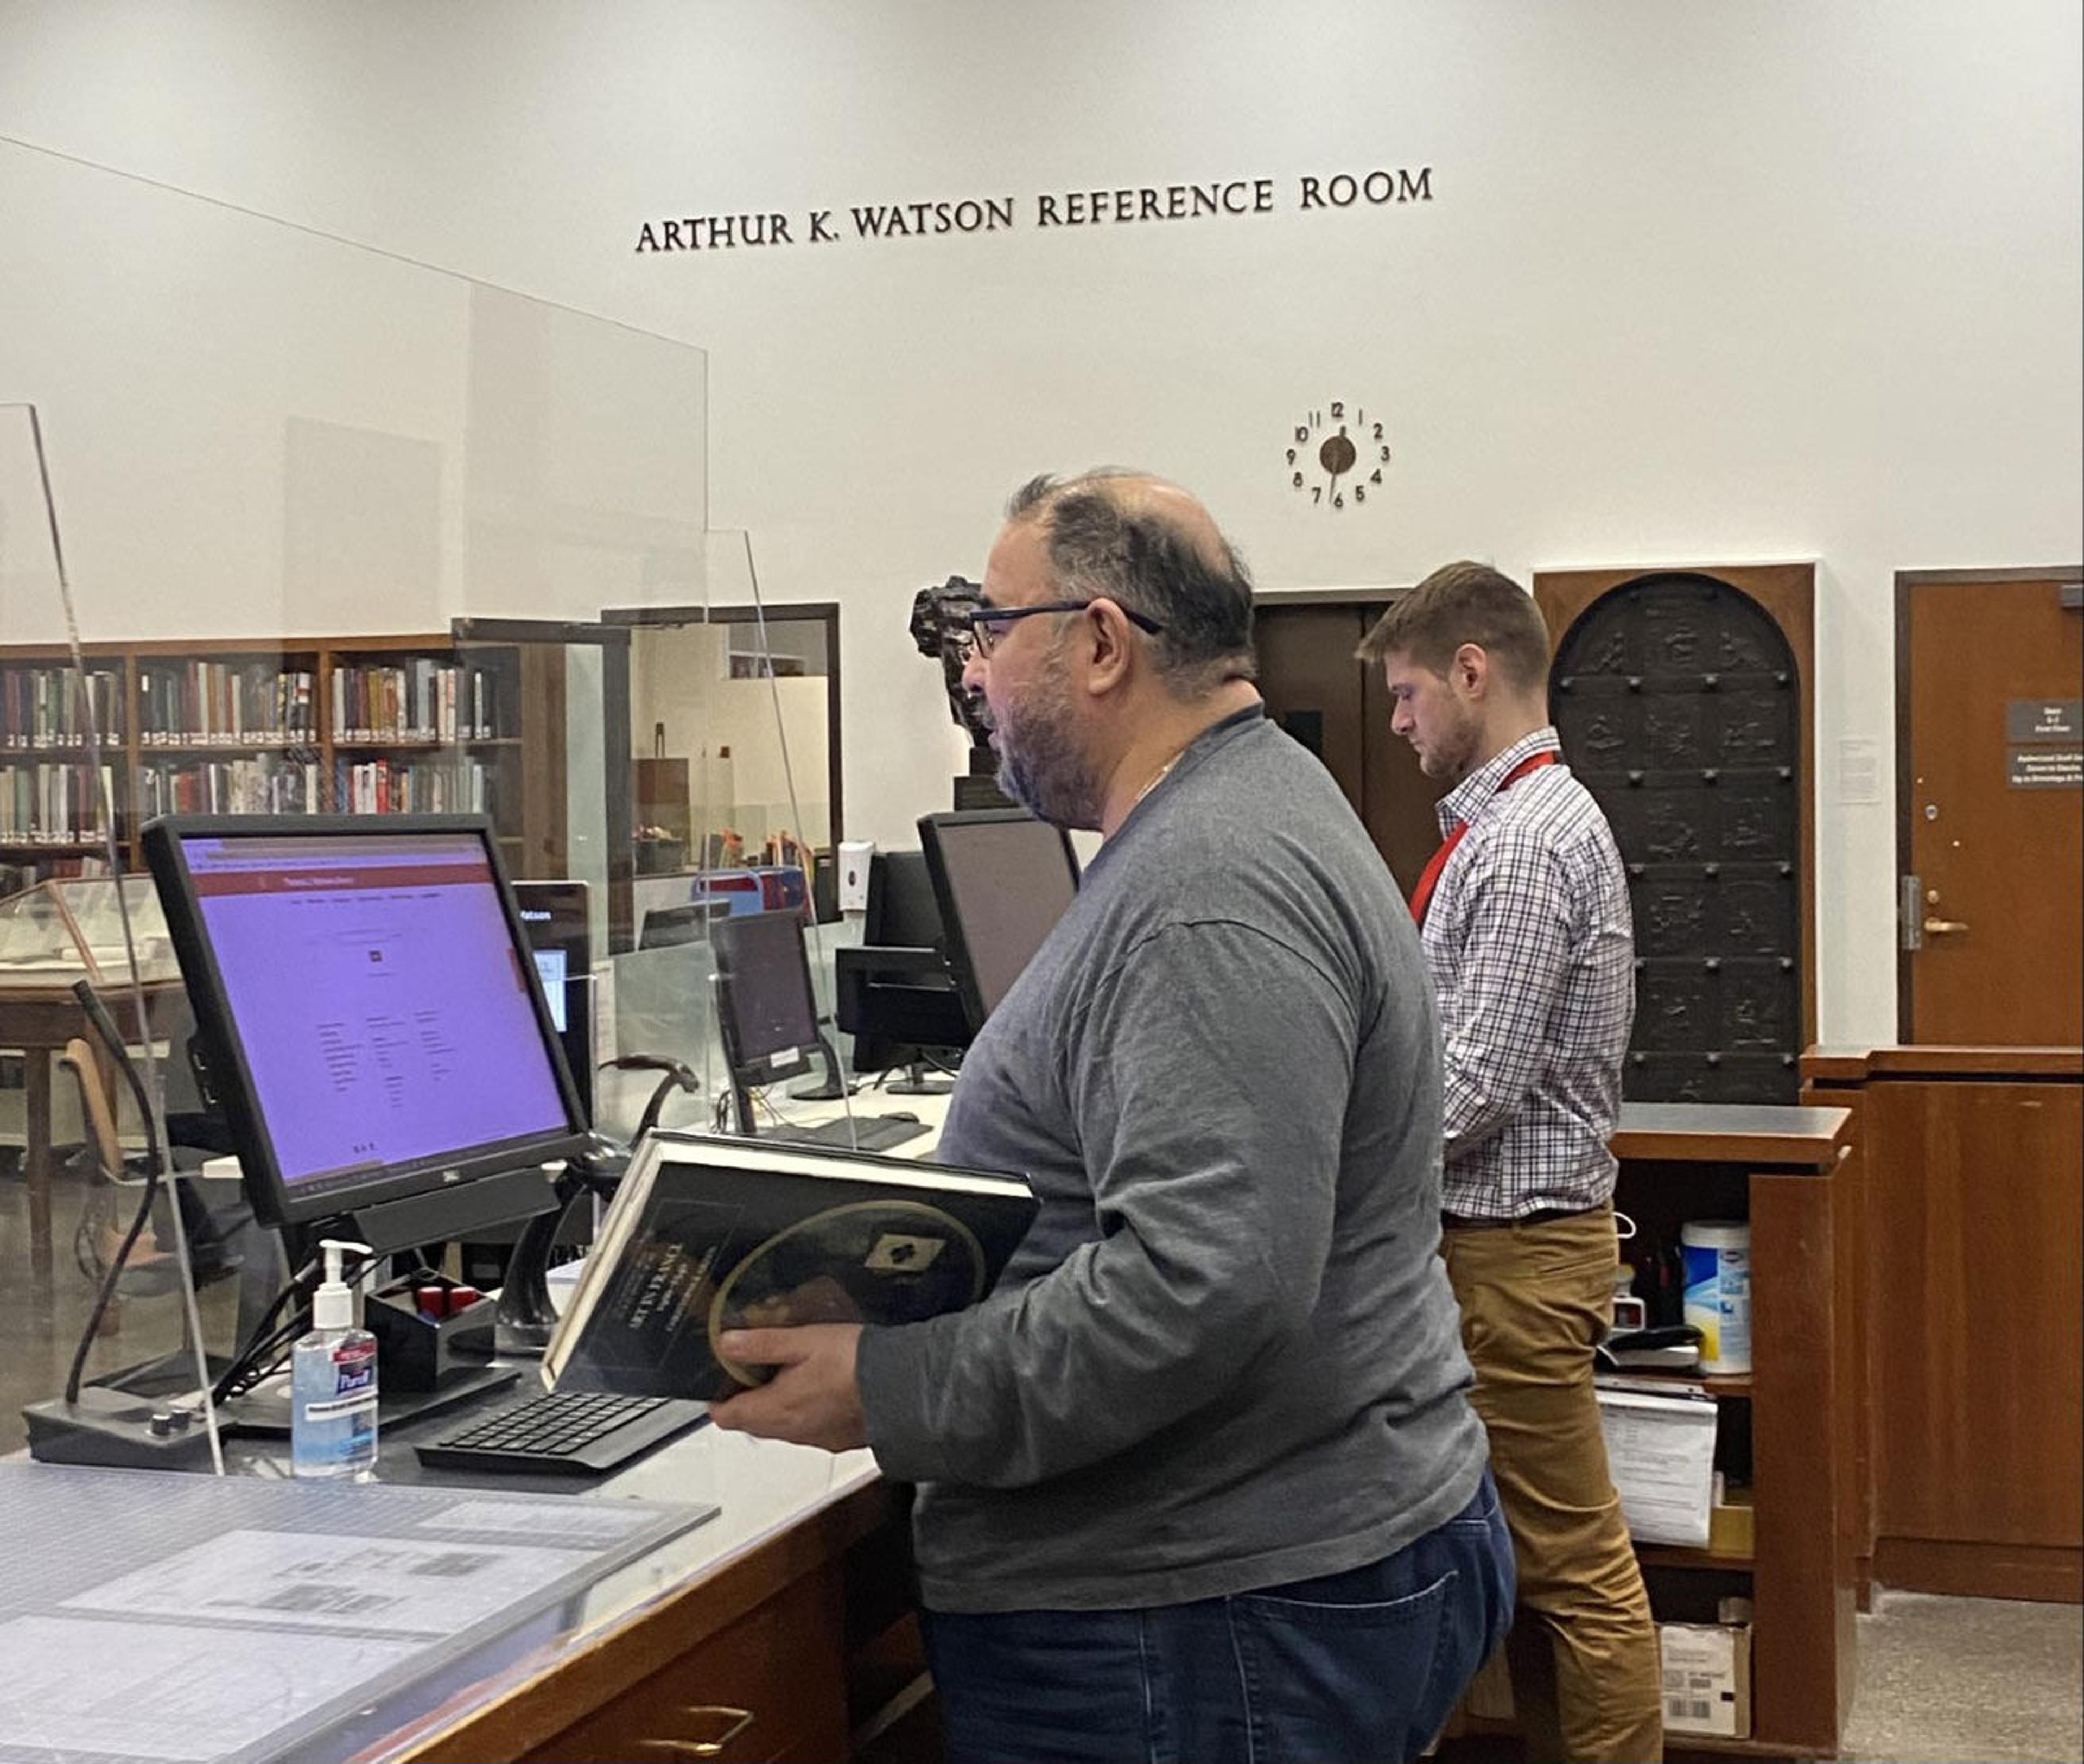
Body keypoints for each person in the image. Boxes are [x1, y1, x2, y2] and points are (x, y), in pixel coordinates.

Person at [710, 470, 1512, 1763]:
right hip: (1248, 1583)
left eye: (992, 629)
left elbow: (1205, 1282)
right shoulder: (1248, 812)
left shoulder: (1207, 885)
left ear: (1098, 643)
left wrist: (891, 1383)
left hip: (1203, 1614)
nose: (975, 674)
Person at [1358, 561, 1662, 1763]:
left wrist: (1335, 1154)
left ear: (1472, 671)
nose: (1398, 719)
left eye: (1409, 692)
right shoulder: (1512, 827)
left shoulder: (1526, 843)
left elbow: (1469, 1093)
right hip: (1501, 1254)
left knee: (1578, 1574)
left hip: (1511, 1259)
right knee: (1527, 1568)